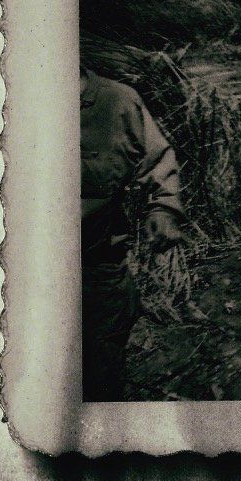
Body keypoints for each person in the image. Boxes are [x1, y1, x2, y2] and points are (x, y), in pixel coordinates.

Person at [80, 67, 188, 400]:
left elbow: (158, 160)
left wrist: (164, 209)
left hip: (96, 270)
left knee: (99, 381)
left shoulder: (118, 102)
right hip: (15, 274)